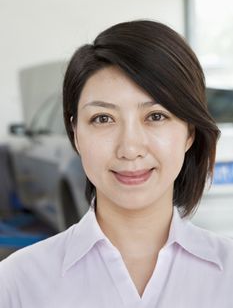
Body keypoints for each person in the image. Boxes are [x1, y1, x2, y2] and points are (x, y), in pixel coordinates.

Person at [0, 20, 233, 308]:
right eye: (103, 119)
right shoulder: (18, 283)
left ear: (189, 133)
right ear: (76, 134)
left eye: (156, 116)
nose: (130, 148)